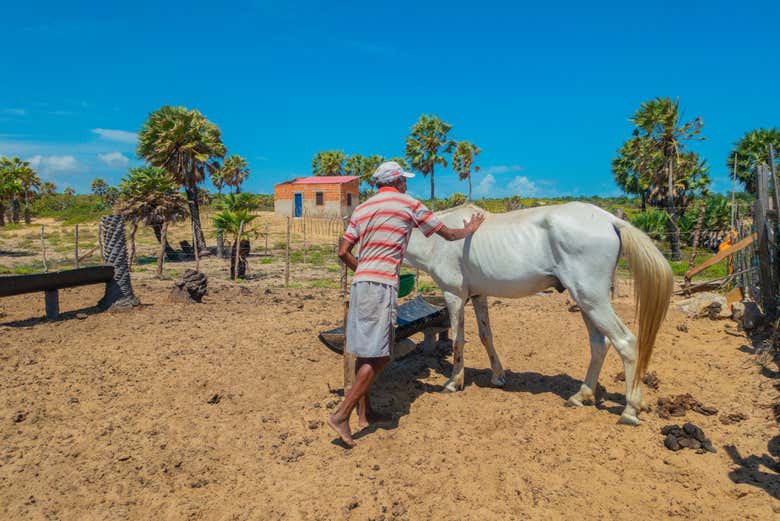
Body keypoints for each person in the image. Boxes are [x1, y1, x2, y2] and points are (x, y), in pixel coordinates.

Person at [327, 161, 485, 447]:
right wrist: (470, 229)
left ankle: (366, 413)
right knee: (382, 355)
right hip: (382, 286)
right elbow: (447, 234)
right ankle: (341, 414)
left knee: (366, 350)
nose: (407, 185)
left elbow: (342, 251)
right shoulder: (408, 204)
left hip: (361, 284)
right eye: (405, 180)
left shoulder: (362, 208)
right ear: (398, 181)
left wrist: (363, 269)